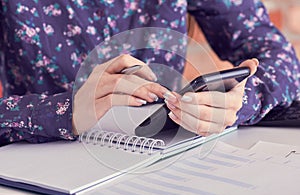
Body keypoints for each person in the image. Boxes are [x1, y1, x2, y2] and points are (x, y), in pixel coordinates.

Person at [0, 0, 298, 146]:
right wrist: (66, 111)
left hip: (167, 157)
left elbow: (276, 53)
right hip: (42, 171)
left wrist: (242, 99)